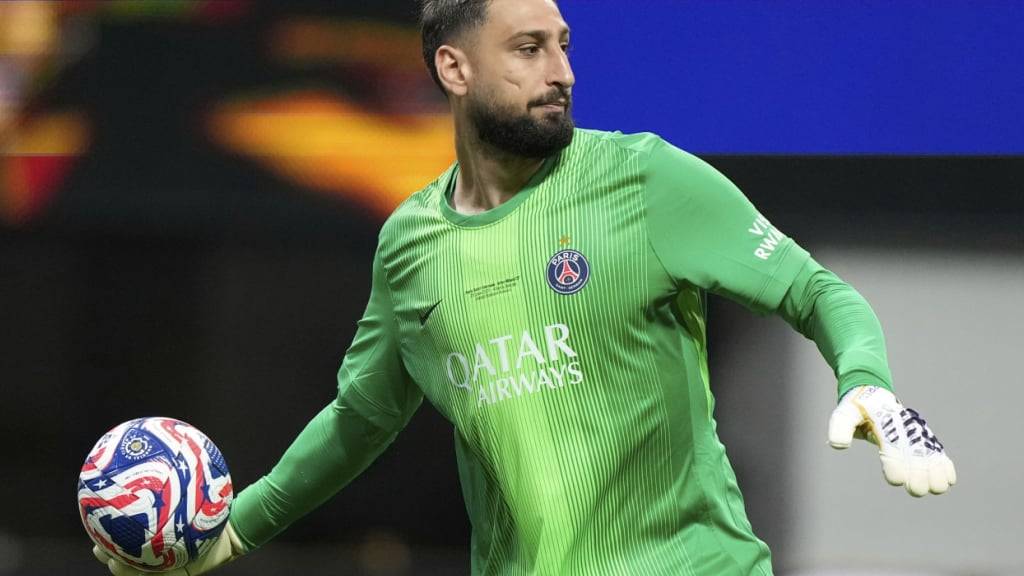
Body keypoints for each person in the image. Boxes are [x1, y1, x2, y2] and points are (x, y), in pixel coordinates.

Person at [93, 0, 956, 574]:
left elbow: (817, 292)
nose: (562, 73)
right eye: (529, 49)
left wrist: (867, 380)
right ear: (453, 69)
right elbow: (361, 419)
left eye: (564, 45)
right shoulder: (411, 246)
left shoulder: (646, 180)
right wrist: (234, 532)